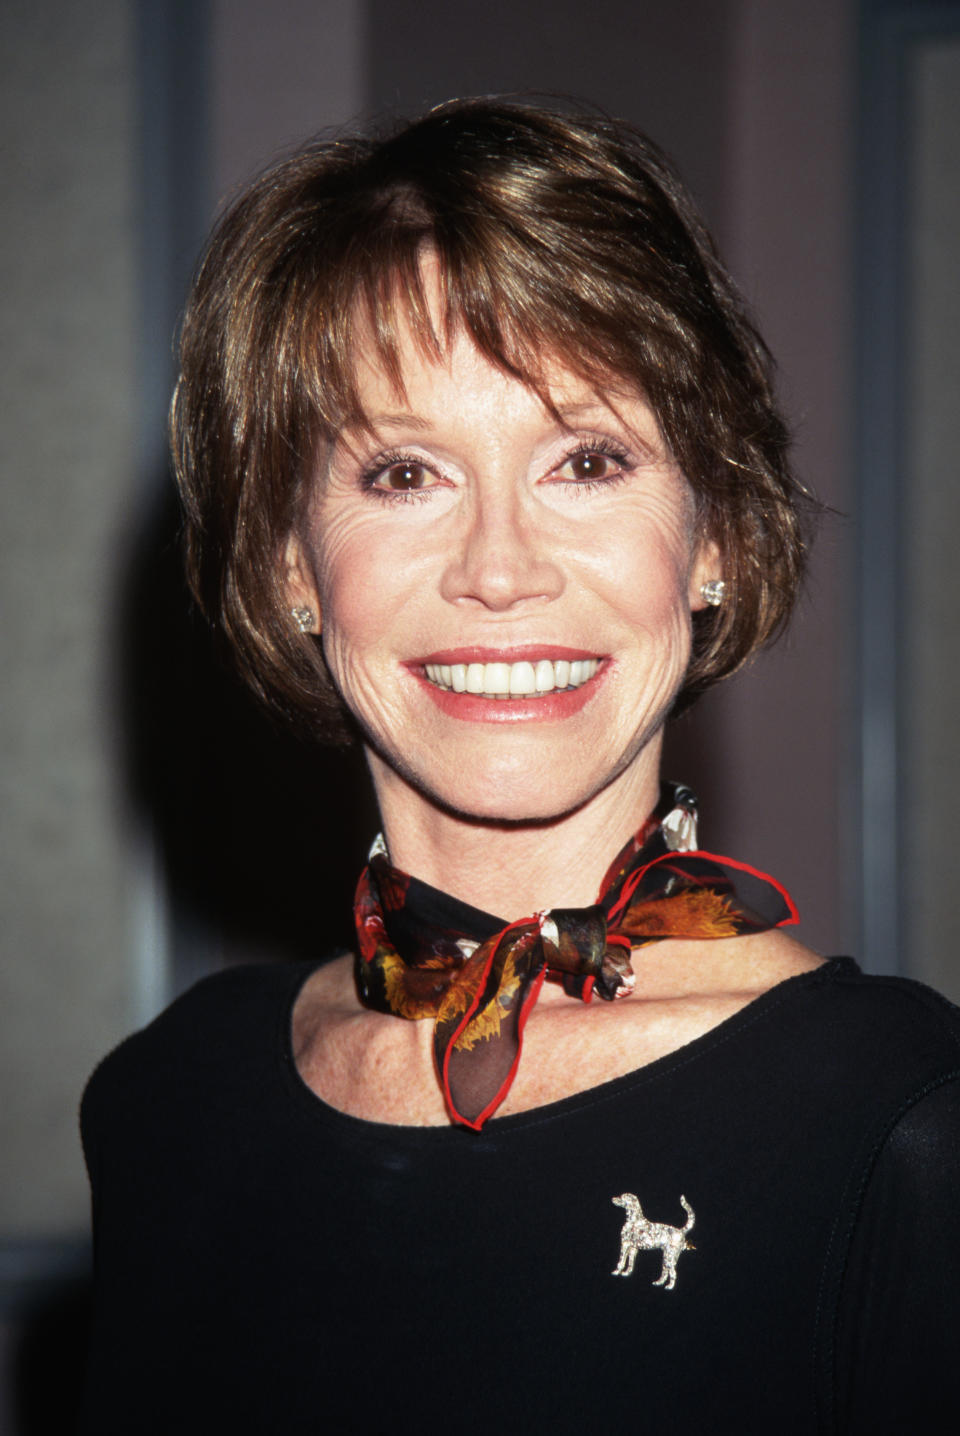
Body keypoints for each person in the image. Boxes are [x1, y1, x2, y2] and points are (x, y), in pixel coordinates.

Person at [80, 99, 960, 1433]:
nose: (500, 568)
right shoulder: (165, 1103)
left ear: (713, 538)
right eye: (403, 474)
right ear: (289, 566)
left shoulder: (902, 1125)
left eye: (588, 461)